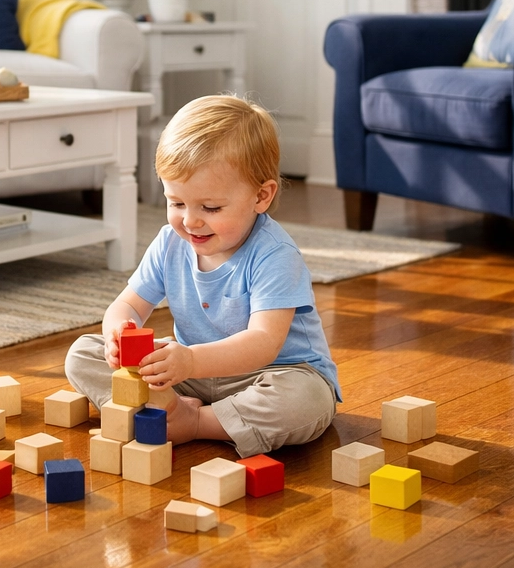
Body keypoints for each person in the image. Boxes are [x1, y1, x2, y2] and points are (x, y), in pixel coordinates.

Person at [65, 95, 341, 458]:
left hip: (271, 373)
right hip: (189, 375)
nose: (190, 221)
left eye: (210, 207)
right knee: (82, 353)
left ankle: (194, 423)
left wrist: (190, 360)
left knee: (306, 401)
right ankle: (169, 409)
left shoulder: (275, 255)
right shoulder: (170, 243)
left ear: (261, 196)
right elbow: (129, 304)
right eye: (176, 203)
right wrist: (119, 333)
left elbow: (263, 342)